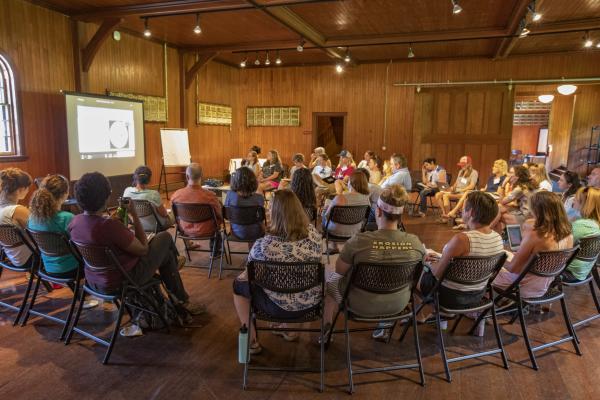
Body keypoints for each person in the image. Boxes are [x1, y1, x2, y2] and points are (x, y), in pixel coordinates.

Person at [68, 172, 204, 317]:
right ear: (106, 197)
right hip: (125, 280)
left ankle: (179, 289)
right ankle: (181, 298)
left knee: (166, 256)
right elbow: (143, 249)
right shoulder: (109, 226)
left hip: (94, 281)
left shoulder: (74, 223)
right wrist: (134, 214)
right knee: (164, 237)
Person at [323, 185, 425, 338]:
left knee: (331, 279)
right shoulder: (416, 244)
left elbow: (339, 271)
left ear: (377, 211)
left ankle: (326, 332)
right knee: (392, 277)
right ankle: (384, 327)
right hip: (398, 304)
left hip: (359, 304)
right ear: (400, 215)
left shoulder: (359, 241)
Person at [232, 190, 322, 354]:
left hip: (274, 308)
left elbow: (249, 276)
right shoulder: (314, 236)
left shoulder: (261, 246)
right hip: (309, 305)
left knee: (239, 286)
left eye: (269, 206)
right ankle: (288, 328)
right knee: (294, 281)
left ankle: (251, 340)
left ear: (274, 213)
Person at [420, 192, 504, 314]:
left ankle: (423, 316)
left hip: (451, 297)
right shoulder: (497, 238)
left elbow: (438, 273)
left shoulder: (462, 240)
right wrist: (441, 259)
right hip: (478, 295)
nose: (461, 211)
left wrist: (428, 262)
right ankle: (441, 318)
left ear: (472, 213)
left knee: (418, 269)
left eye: (464, 208)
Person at [493, 191, 573, 298]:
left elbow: (513, 268)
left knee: (485, 265)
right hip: (544, 285)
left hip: (523, 286)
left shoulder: (536, 236)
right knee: (507, 253)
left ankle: (477, 305)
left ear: (538, 211)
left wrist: (494, 258)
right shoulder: (568, 235)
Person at [171, 163, 223, 254]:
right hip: (208, 230)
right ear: (201, 176)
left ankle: (187, 244)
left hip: (185, 230)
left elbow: (174, 217)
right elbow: (220, 215)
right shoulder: (210, 196)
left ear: (187, 176)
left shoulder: (176, 195)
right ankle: (215, 252)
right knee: (217, 224)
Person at [322, 171, 370, 252]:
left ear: (351, 183)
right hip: (356, 231)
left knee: (325, 212)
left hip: (335, 232)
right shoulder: (367, 199)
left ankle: (334, 247)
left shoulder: (340, 198)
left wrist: (325, 209)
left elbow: (327, 216)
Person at [563, 187, 600, 282]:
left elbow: (559, 245)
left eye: (577, 198)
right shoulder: (595, 223)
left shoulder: (582, 225)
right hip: (584, 270)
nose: (573, 199)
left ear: (586, 204)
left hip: (569, 272)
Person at [123, 166, 174, 232]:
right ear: (149, 179)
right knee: (175, 214)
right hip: (155, 226)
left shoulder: (127, 191)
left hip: (136, 225)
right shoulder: (154, 194)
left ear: (135, 177)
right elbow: (164, 214)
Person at [0, 168, 33, 268]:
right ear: (20, 189)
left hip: (13, 257)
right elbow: (40, 229)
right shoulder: (17, 210)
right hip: (30, 258)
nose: (28, 191)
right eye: (28, 188)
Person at [224, 167, 265, 241]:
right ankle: (253, 250)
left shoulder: (230, 195)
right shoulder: (259, 198)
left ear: (235, 181)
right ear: (253, 181)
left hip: (236, 232)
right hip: (256, 232)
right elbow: (260, 217)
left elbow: (227, 215)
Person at [491, 166, 536, 233]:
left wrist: (503, 184)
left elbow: (502, 201)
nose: (508, 175)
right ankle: (498, 235)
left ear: (517, 176)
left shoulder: (520, 188)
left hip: (524, 217)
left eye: (511, 172)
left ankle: (489, 231)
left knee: (497, 211)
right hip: (531, 215)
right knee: (500, 208)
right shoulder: (527, 185)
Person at [435, 156, 478, 221]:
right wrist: (451, 188)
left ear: (469, 164)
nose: (461, 166)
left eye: (463, 165)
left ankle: (448, 216)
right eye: (461, 165)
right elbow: (456, 183)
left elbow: (471, 186)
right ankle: (444, 213)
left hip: (465, 192)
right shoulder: (460, 171)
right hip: (456, 191)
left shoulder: (474, 172)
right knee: (438, 194)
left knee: (445, 195)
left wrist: (461, 190)